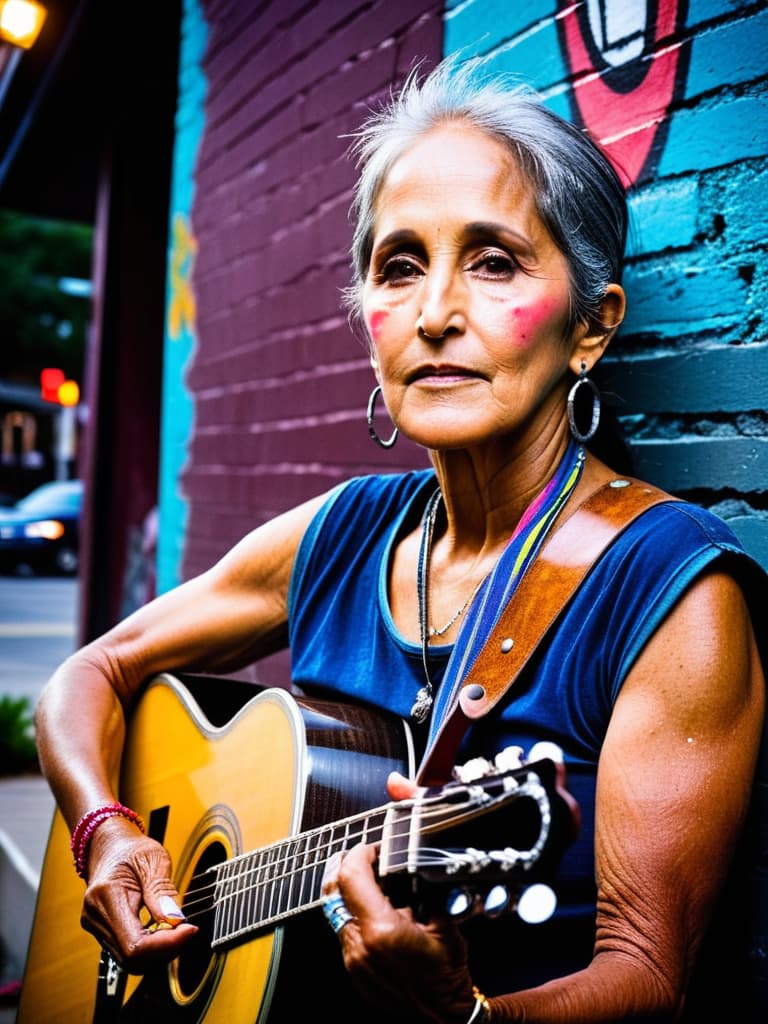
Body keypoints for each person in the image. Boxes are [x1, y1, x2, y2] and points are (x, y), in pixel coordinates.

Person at [33, 56, 766, 1022]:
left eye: (494, 261)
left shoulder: (669, 593)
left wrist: (466, 1015)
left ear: (591, 327)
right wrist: (106, 831)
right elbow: (88, 673)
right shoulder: (344, 533)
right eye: (400, 264)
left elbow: (649, 980)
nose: (434, 314)